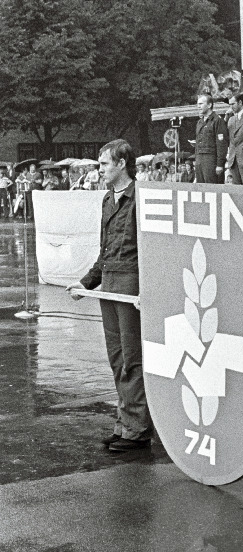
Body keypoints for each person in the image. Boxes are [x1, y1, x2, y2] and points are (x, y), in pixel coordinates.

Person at [67, 139, 153, 453]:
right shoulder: (107, 198)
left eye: (104, 164)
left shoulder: (143, 198)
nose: (99, 169)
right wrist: (86, 283)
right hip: (112, 282)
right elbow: (105, 251)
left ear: (121, 163)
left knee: (133, 358)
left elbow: (152, 250)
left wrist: (149, 288)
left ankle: (137, 429)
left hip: (131, 282)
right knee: (117, 357)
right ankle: (125, 424)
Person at [195, 94, 229, 184]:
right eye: (198, 104)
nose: (198, 106)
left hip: (211, 160)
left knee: (212, 189)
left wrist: (220, 164)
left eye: (201, 104)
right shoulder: (199, 122)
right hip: (199, 160)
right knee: (201, 188)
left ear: (209, 105)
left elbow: (221, 144)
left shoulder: (217, 120)